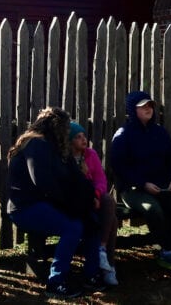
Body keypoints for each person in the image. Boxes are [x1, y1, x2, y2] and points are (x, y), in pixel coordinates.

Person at [7, 106, 103, 298]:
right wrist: (68, 205)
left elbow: (75, 177)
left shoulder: (56, 147)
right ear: (57, 127)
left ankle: (91, 275)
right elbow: (42, 183)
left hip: (49, 203)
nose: (67, 133)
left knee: (90, 222)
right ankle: (56, 282)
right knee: (72, 227)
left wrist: (88, 195)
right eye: (66, 128)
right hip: (26, 207)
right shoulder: (36, 144)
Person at [110, 90, 171, 274]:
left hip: (164, 186)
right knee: (152, 209)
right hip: (134, 190)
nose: (148, 109)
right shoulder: (123, 135)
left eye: (150, 105)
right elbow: (119, 167)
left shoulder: (160, 132)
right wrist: (143, 183)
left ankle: (170, 250)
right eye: (143, 106)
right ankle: (169, 251)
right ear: (132, 109)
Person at [69, 121, 119, 286]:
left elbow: (101, 180)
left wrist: (96, 195)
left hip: (95, 199)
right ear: (69, 141)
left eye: (84, 136)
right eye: (78, 137)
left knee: (108, 201)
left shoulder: (90, 154)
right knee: (112, 221)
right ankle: (108, 267)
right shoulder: (66, 159)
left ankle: (103, 251)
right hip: (78, 202)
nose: (84, 140)